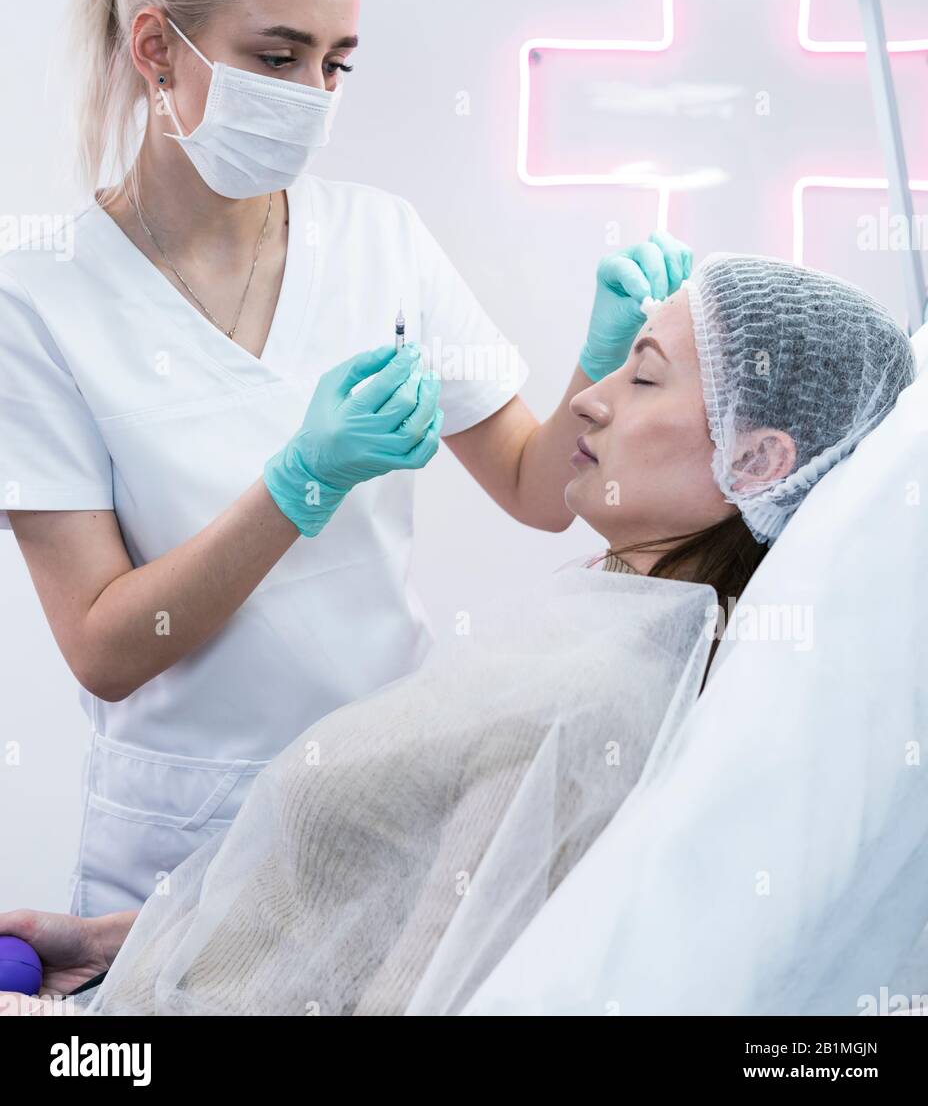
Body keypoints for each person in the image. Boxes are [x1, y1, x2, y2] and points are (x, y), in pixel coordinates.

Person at [0, 0, 691, 919]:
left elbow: (533, 487)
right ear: (157, 50)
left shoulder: (381, 239)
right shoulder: (38, 295)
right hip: (181, 847)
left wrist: (600, 360)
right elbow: (104, 647)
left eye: (336, 62)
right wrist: (297, 489)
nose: (315, 96)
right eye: (277, 57)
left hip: (388, 805)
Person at [2, 253, 914, 1016]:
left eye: (642, 375)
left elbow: (421, 991)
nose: (588, 401)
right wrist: (114, 948)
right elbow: (365, 894)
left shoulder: (596, 705)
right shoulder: (590, 632)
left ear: (756, 460)